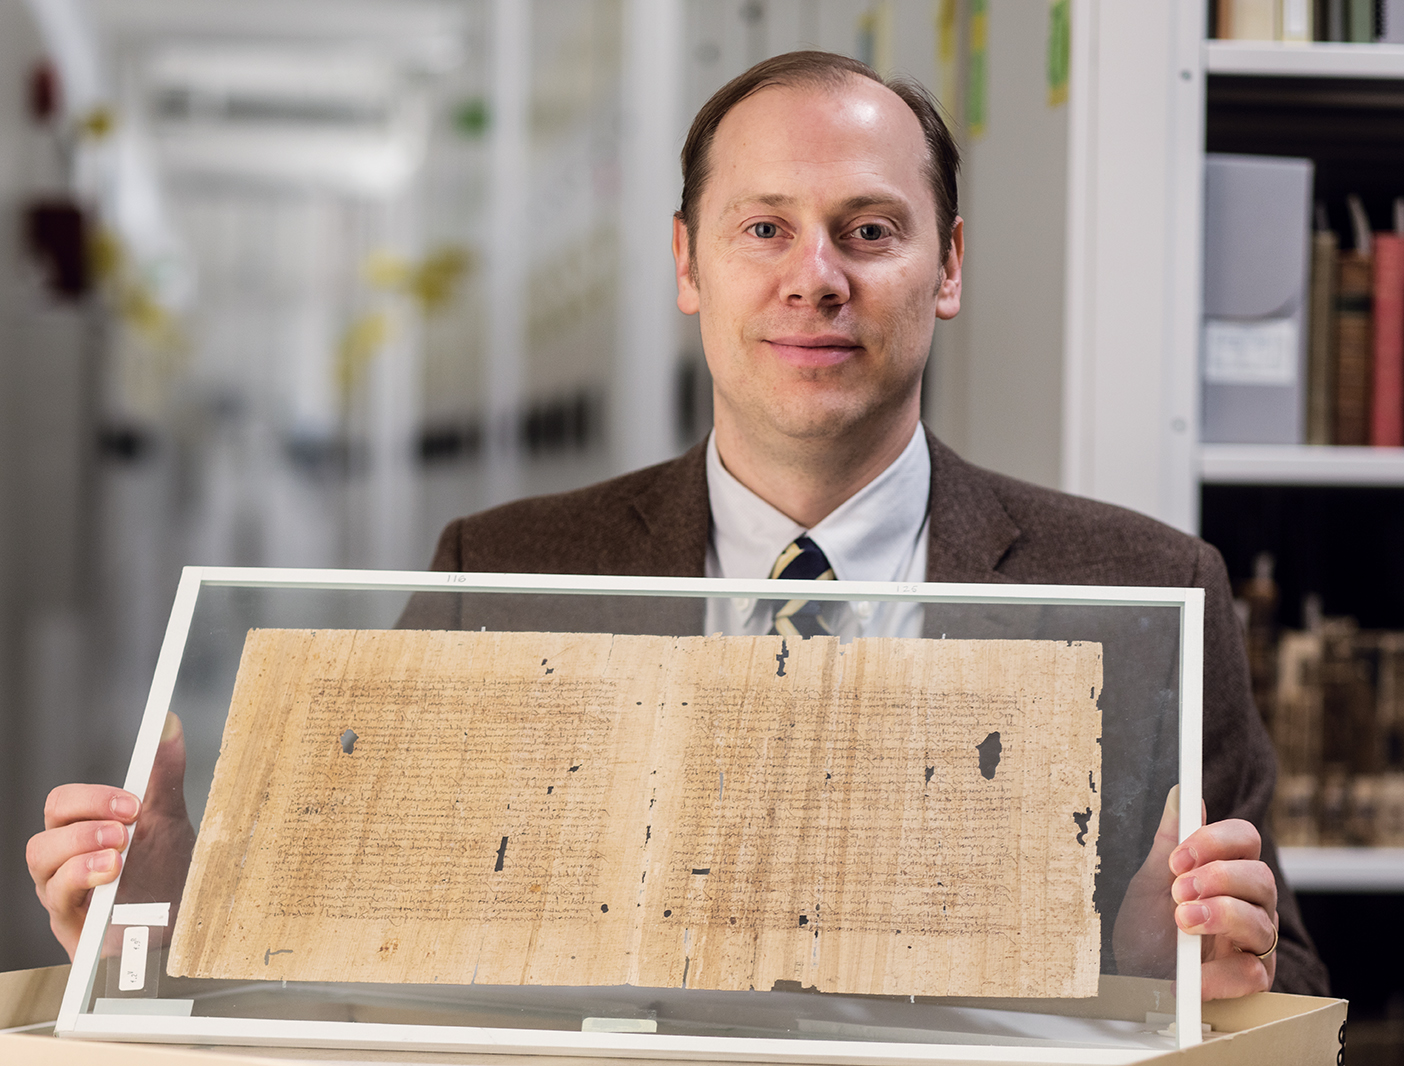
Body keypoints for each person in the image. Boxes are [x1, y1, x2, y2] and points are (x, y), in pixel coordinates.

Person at [27, 51, 1327, 999]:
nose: (816, 274)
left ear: (949, 267)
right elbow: (363, 950)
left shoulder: (1149, 582)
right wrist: (172, 918)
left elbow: (1278, 966)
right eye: (765, 227)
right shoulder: (505, 573)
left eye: (869, 230)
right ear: (688, 264)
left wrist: (1193, 976)